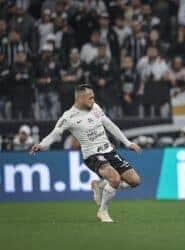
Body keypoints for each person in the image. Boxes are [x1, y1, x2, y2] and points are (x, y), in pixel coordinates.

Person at [29, 84, 142, 223]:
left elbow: (109, 125)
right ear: (80, 98)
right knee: (115, 178)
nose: (93, 100)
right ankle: (103, 211)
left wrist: (128, 143)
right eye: (90, 98)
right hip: (92, 155)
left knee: (135, 181)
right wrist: (41, 145)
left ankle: (100, 185)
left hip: (109, 150)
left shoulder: (95, 107)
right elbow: (54, 134)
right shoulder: (68, 117)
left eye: (94, 97)